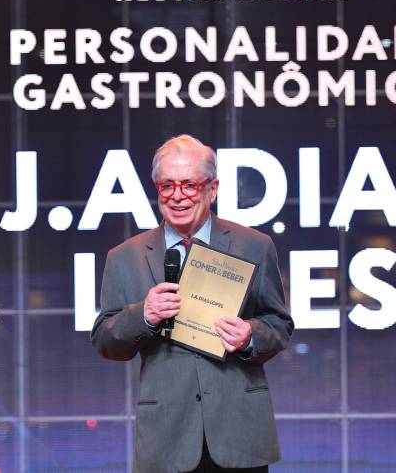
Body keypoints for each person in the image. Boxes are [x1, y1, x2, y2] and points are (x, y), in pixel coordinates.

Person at [92, 134, 293, 473]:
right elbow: (104, 339)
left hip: (239, 433)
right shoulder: (125, 257)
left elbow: (279, 324)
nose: (178, 196)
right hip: (166, 437)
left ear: (212, 189)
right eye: (166, 186)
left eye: (189, 185)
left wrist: (249, 336)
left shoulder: (254, 246)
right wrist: (142, 315)